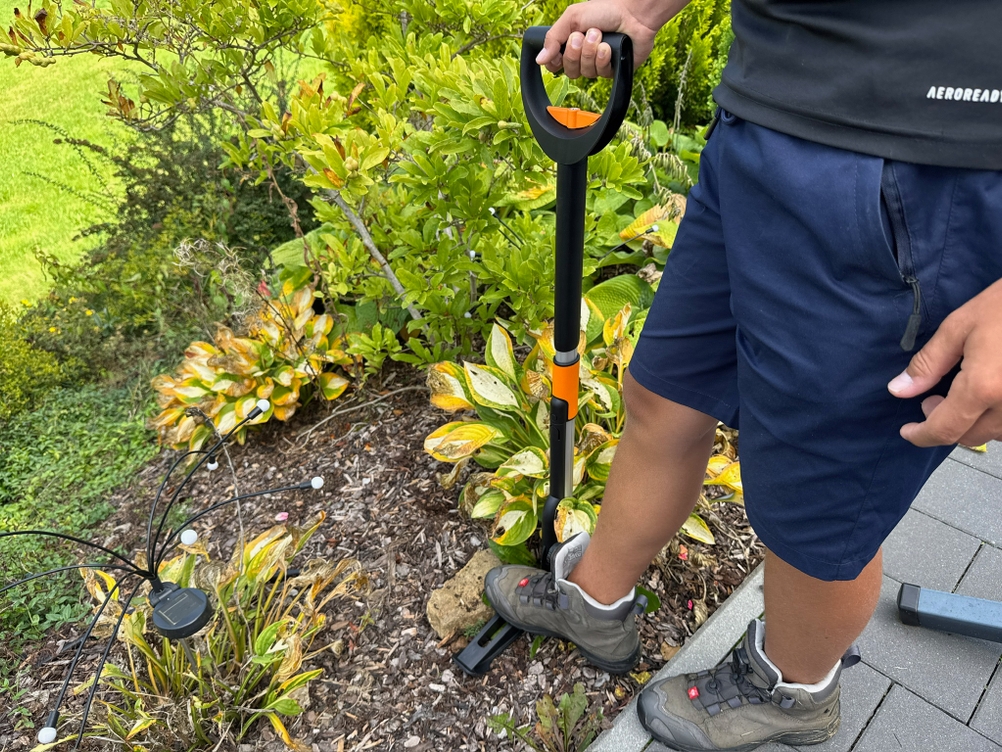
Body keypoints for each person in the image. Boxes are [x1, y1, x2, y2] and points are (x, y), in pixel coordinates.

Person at [484, 1, 1002, 750]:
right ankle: (595, 601)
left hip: (919, 178)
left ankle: (793, 691)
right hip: (760, 128)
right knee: (665, 393)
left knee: (818, 503)